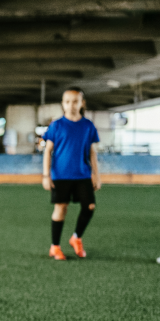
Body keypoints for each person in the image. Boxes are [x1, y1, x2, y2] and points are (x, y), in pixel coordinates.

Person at [42, 88, 101, 260]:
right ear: (63, 104)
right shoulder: (56, 125)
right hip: (60, 175)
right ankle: (55, 247)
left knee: (89, 206)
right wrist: (46, 175)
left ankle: (76, 238)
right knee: (61, 208)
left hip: (82, 174)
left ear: (82, 103)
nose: (71, 105)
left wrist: (96, 174)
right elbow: (48, 151)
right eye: (67, 101)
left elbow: (92, 153)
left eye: (75, 101)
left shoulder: (88, 126)